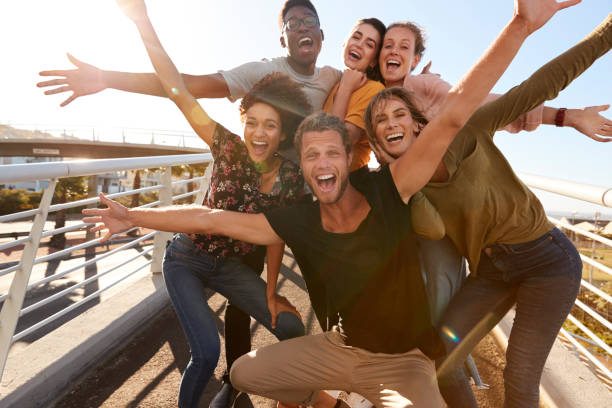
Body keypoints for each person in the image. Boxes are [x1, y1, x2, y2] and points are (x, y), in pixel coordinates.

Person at [82, 1, 581, 406]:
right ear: (301, 162)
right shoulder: (298, 212)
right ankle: (330, 402)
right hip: (339, 349)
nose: (323, 161)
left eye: (332, 153)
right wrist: (134, 216)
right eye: (311, 153)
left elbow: (455, 117)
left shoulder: (390, 188)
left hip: (403, 363)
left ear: (351, 158)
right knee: (243, 371)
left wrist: (520, 26)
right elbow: (210, 216)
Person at [364, 10, 612, 408]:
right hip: (492, 269)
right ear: (377, 142)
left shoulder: (469, 129)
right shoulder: (401, 186)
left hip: (546, 262)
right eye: (380, 121)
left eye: (400, 114)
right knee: (441, 357)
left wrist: (606, 32)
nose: (392, 123)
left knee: (519, 377)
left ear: (417, 122)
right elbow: (424, 231)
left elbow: (540, 84)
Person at [111, 1, 316, 408]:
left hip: (232, 267)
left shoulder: (291, 178)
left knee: (293, 328)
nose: (258, 133)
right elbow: (176, 89)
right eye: (251, 121)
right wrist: (142, 22)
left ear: (283, 133)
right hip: (188, 256)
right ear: (242, 123)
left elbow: (275, 238)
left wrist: (273, 292)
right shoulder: (227, 147)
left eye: (270, 125)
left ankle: (273, 392)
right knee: (205, 351)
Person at [322, 18, 386, 171]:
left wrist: (345, 88)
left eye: (369, 44)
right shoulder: (333, 83)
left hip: (348, 183)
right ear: (345, 42)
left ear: (373, 61)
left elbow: (338, 143)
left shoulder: (374, 89)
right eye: (356, 37)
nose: (359, 44)